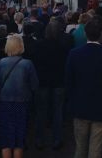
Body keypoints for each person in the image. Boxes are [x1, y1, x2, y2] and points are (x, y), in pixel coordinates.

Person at [66, 18, 102, 158]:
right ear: (101, 34)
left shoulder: (74, 54)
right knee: (95, 148)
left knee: (80, 147)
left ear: (85, 34)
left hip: (80, 106)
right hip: (101, 107)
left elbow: (69, 83)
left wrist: (70, 104)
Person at [0, 34, 39, 158]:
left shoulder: (1, 63)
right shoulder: (27, 64)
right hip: (22, 103)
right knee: (19, 137)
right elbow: (34, 85)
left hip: (4, 102)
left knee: (6, 137)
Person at [32, 20, 73, 150]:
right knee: (58, 111)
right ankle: (57, 139)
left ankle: (40, 139)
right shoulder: (63, 47)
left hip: (43, 82)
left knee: (41, 112)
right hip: (58, 82)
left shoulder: (38, 45)